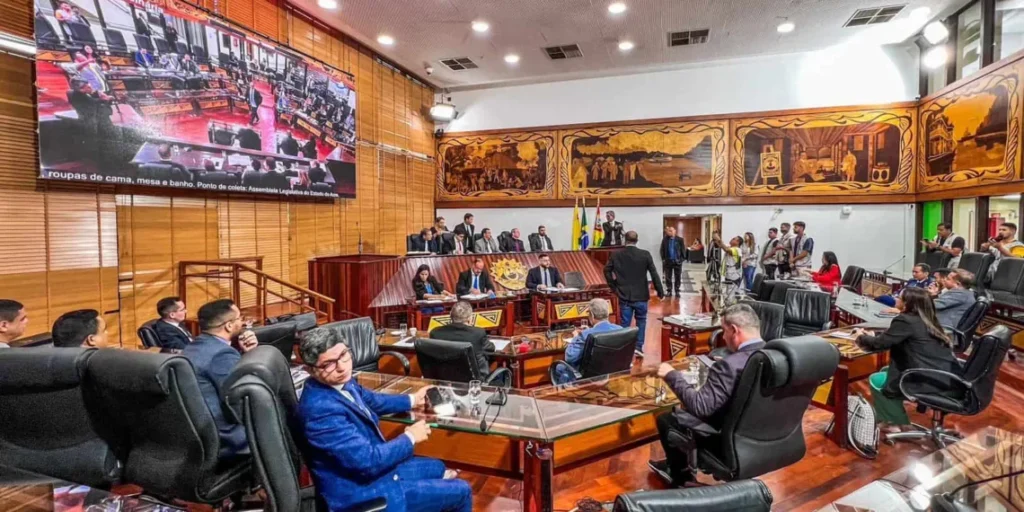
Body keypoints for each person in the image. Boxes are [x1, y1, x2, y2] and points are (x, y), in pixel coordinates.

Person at [296, 328, 472, 512]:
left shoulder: (339, 381)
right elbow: (369, 462)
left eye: (343, 355)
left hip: (372, 473)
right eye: (328, 364)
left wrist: (412, 400)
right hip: (363, 493)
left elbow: (373, 400)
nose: (341, 366)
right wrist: (410, 437)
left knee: (437, 467)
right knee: (462, 491)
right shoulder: (320, 412)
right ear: (310, 370)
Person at [648, 304, 766, 486]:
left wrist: (672, 375)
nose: (723, 337)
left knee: (667, 420)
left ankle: (681, 478)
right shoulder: (775, 355)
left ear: (734, 330)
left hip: (728, 442)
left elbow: (700, 407)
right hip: (763, 436)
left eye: (724, 331)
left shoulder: (729, 366)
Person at [854, 288, 958, 432]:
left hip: (925, 379)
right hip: (948, 377)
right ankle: (900, 421)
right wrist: (874, 335)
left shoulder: (905, 320)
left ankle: (892, 423)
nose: (896, 299)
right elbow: (898, 337)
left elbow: (880, 344)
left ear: (906, 303)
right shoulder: (930, 320)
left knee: (877, 380)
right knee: (886, 370)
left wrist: (860, 337)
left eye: (899, 297)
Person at [181, 299, 258, 458]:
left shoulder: (193, 347)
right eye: (239, 318)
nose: (242, 322)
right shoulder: (222, 354)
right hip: (226, 439)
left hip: (196, 434)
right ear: (229, 325)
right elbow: (240, 400)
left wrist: (244, 354)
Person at [604, 231, 665, 358]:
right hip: (641, 295)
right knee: (641, 321)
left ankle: (623, 349)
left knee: (625, 323)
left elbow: (606, 270)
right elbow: (654, 274)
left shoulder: (616, 254)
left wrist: (614, 286)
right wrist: (660, 292)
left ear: (624, 240)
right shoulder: (645, 254)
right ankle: (638, 347)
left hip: (623, 294)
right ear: (637, 240)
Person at [554, 298, 621, 384]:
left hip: (589, 377)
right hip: (613, 373)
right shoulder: (620, 329)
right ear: (607, 313)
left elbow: (569, 357)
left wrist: (576, 337)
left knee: (559, 367)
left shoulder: (586, 335)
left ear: (592, 315)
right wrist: (590, 330)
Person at [430, 301, 494, 378]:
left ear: (450, 316)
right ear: (470, 318)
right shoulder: (478, 333)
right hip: (473, 382)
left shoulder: (435, 333)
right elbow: (491, 349)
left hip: (443, 380)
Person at [712, 234, 744, 298]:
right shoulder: (731, 247)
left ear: (738, 242)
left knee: (730, 294)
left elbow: (726, 249)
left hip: (734, 275)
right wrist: (715, 239)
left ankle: (731, 303)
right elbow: (721, 245)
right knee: (727, 292)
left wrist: (719, 239)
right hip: (728, 273)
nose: (731, 239)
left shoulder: (737, 250)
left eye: (734, 239)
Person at [660, 226, 685, 297]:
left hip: (677, 262)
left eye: (671, 230)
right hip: (668, 262)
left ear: (675, 231)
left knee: (678, 277)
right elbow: (662, 250)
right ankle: (669, 291)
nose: (669, 232)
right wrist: (663, 259)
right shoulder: (665, 240)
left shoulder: (680, 240)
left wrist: (681, 260)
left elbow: (683, 250)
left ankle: (677, 291)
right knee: (668, 277)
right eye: (669, 231)